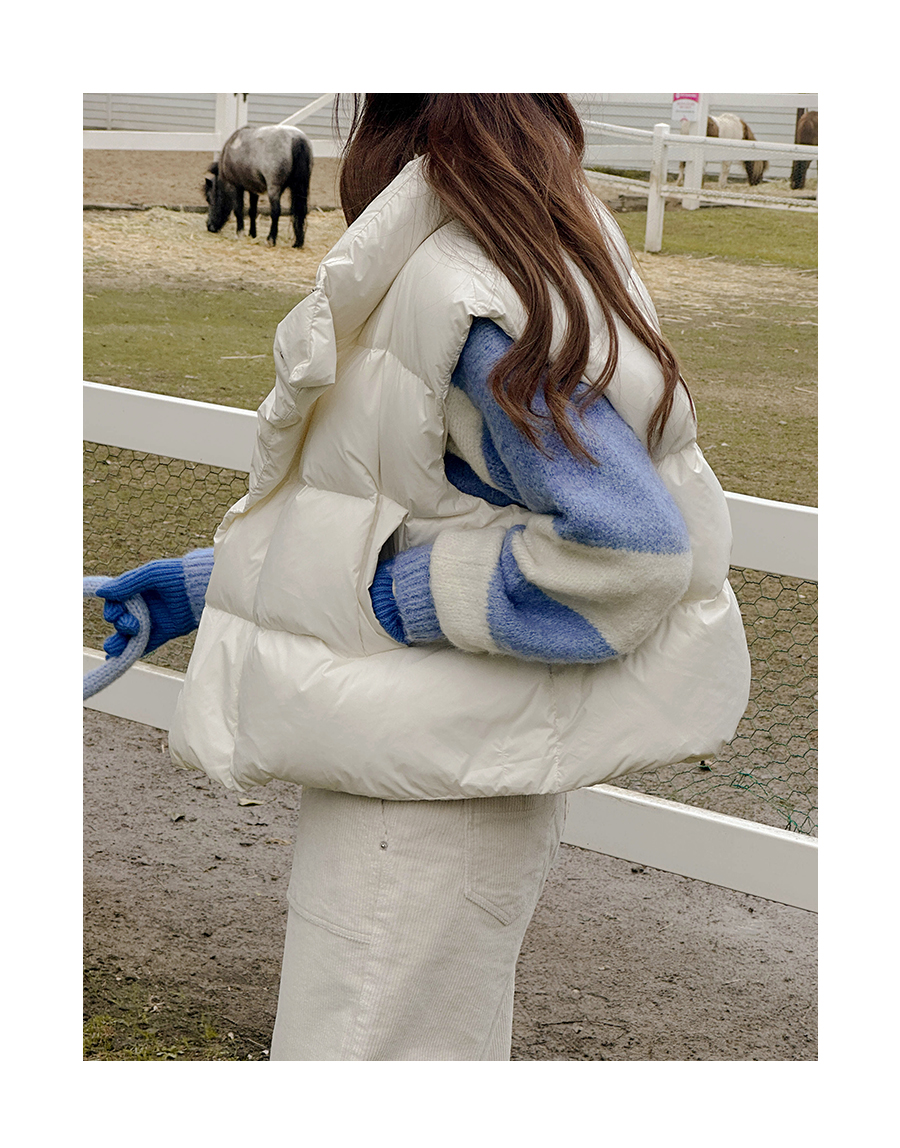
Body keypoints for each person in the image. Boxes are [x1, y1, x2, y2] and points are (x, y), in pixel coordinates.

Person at [97, 94, 750, 1061]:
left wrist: (406, 597)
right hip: (434, 762)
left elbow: (629, 552)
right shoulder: (496, 262)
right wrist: (205, 586)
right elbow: (414, 509)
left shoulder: (465, 290)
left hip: (424, 803)